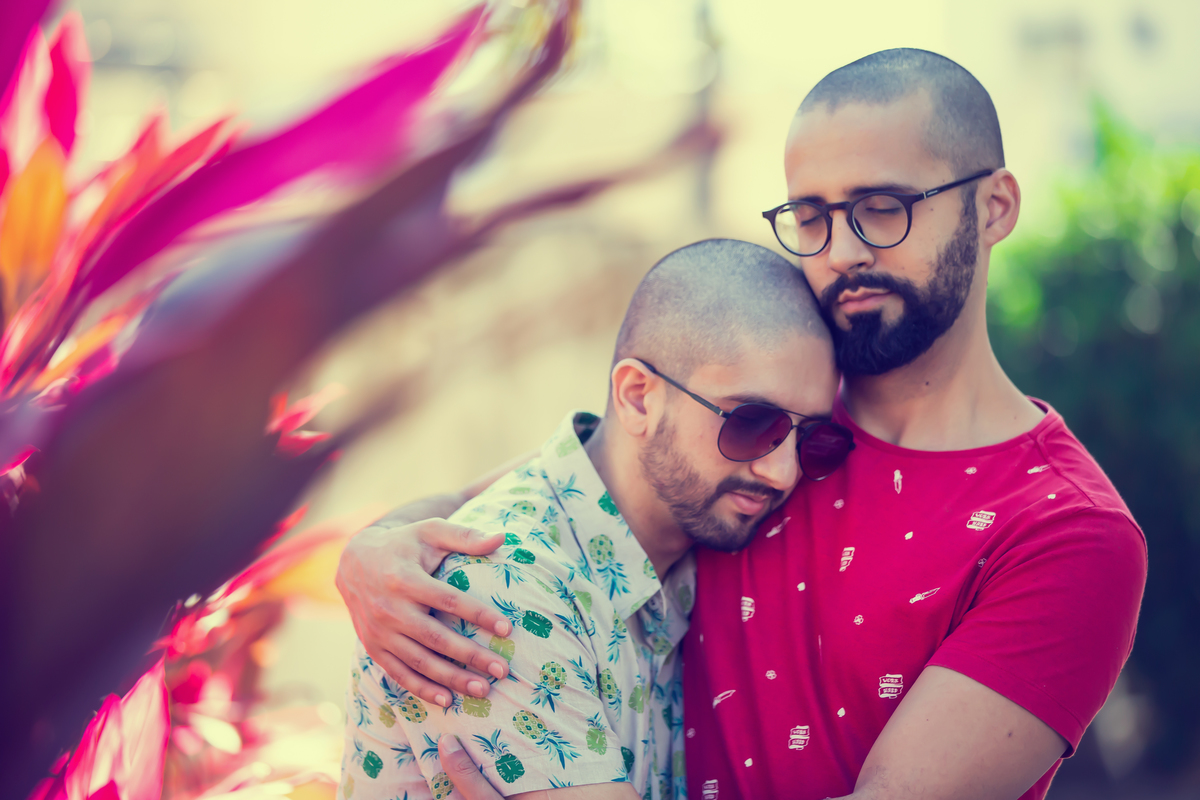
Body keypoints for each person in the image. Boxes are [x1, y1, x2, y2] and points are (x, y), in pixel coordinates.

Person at [336, 49, 1147, 800]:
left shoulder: (1066, 533)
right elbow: (569, 487)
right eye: (813, 217)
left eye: (881, 208)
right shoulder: (772, 416)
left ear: (995, 206)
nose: (843, 252)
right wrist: (378, 550)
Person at [337, 240, 845, 799]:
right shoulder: (503, 586)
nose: (782, 472)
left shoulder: (690, 547)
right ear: (636, 398)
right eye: (753, 422)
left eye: (811, 438)